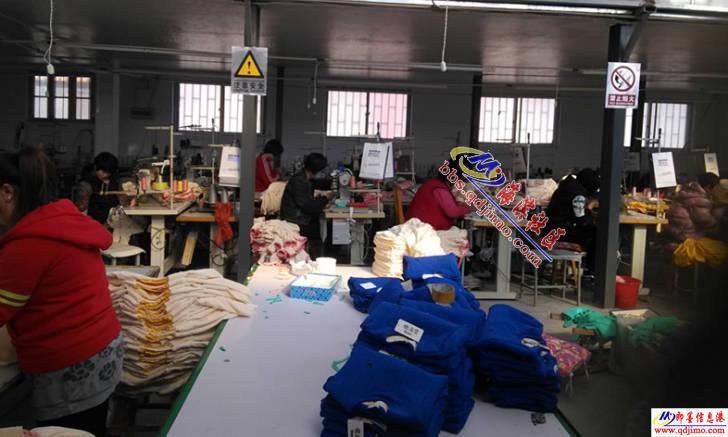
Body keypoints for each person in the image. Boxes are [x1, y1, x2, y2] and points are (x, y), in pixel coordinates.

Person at [0, 147, 123, 436]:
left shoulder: (27, 245)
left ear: (7, 192)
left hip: (70, 368)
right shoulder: (63, 220)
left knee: (70, 430)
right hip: (103, 349)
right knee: (90, 427)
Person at [544, 168, 600, 268]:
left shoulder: (566, 188)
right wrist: (591, 216)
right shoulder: (578, 195)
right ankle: (592, 268)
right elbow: (581, 220)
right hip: (560, 233)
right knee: (598, 234)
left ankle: (588, 267)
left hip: (551, 230)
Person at [280, 153, 332, 250]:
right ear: (317, 170)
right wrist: (325, 199)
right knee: (330, 231)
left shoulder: (303, 179)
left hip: (299, 219)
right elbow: (308, 206)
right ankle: (321, 255)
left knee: (327, 226)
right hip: (295, 222)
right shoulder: (298, 181)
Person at [406, 159, 470, 230]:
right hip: (424, 230)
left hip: (418, 227)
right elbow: (453, 212)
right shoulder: (440, 189)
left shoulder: (433, 183)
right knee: (463, 234)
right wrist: (468, 209)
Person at [83, 152, 120, 225]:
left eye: (108, 172)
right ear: (96, 167)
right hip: (92, 221)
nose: (105, 175)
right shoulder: (88, 183)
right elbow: (83, 208)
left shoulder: (114, 183)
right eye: (103, 171)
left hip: (111, 221)